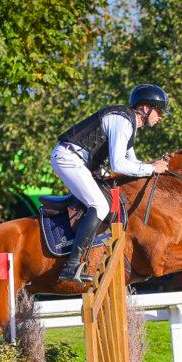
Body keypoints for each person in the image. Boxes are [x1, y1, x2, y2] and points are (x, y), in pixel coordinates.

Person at [51, 84, 170, 283]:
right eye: (159, 111)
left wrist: (154, 166)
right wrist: (151, 168)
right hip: (68, 158)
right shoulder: (122, 121)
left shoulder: (129, 125)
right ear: (146, 108)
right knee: (99, 205)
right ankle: (71, 265)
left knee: (102, 201)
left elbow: (133, 163)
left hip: (78, 161)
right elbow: (119, 164)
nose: (161, 117)